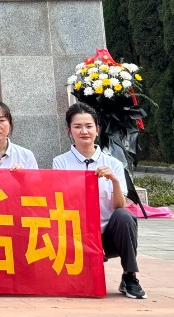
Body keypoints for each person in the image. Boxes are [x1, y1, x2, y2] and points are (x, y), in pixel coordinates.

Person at [53, 104, 146, 299]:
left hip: (108, 236)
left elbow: (119, 206)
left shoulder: (113, 164)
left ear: (97, 129)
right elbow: (61, 202)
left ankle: (130, 276)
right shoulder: (61, 163)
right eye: (77, 126)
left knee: (124, 217)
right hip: (78, 234)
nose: (84, 131)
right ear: (68, 130)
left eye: (89, 126)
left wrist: (114, 181)